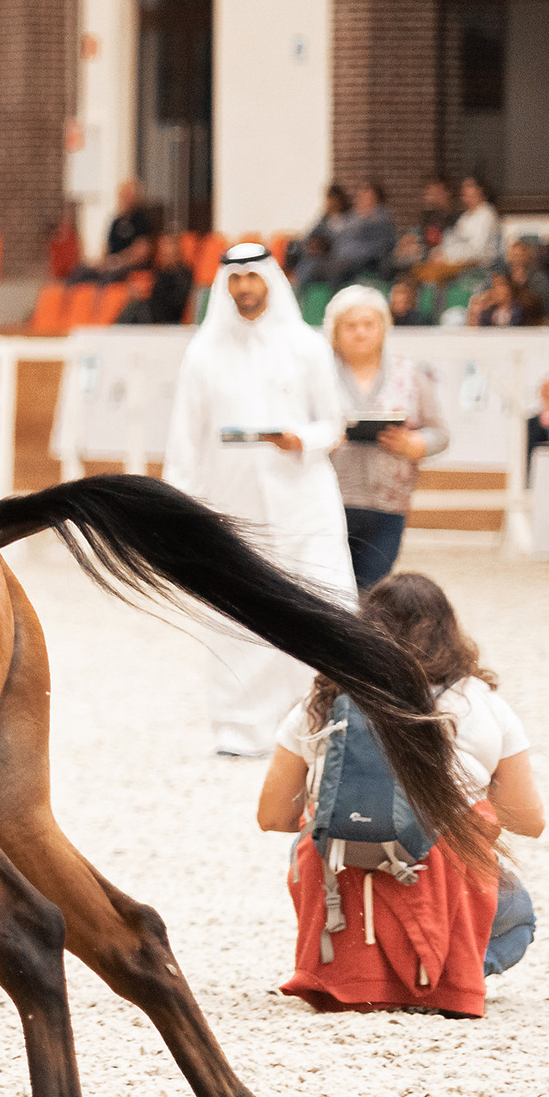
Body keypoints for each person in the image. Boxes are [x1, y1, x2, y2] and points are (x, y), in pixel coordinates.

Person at [256, 575, 545, 1017]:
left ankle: (355, 970)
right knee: (518, 915)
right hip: (442, 881)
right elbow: (529, 820)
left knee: (309, 837)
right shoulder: (482, 704)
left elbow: (272, 815)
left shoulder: (321, 703)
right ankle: (438, 979)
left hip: (339, 887)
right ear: (451, 634)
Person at [163, 243, 354, 757]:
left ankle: (323, 724)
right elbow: (184, 441)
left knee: (318, 604)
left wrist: (302, 440)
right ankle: (240, 729)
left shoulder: (307, 347)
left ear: (271, 281)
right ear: (225, 286)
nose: (244, 288)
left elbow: (333, 425)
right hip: (233, 502)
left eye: (253, 277)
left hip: (304, 501)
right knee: (237, 610)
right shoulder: (203, 354)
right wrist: (177, 511)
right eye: (235, 279)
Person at [323, 285, 448, 593]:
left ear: (384, 327)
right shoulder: (318, 373)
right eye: (350, 326)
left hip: (387, 504)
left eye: (369, 324)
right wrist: (323, 437)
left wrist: (415, 445)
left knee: (373, 592)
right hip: (326, 499)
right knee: (330, 591)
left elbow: (440, 433)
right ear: (334, 331)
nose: (360, 332)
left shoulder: (411, 373)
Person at [300, 180, 396, 286]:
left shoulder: (380, 219)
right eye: (359, 196)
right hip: (337, 258)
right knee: (309, 264)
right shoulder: (351, 217)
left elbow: (381, 246)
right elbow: (333, 230)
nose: (361, 200)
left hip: (362, 262)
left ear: (376, 199)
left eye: (366, 196)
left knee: (337, 270)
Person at [416, 178, 501, 285]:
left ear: (480, 190)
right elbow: (452, 240)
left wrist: (448, 256)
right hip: (458, 266)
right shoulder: (465, 217)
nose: (464, 190)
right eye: (463, 187)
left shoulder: (487, 215)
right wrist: (439, 252)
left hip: (479, 270)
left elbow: (477, 251)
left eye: (469, 186)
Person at [288, 185, 349, 278]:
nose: (330, 202)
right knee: (294, 247)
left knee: (309, 263)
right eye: (328, 198)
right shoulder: (324, 219)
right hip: (314, 250)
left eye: (333, 199)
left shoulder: (347, 219)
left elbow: (339, 240)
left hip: (330, 253)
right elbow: (311, 233)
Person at [465, 270, 542, 328]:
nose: (496, 289)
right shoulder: (487, 314)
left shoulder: (523, 311)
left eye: (500, 284)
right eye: (494, 285)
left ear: (509, 287)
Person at [505, 237, 549, 318]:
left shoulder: (538, 278)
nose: (516, 259)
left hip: (532, 317)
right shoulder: (505, 277)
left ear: (526, 256)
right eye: (514, 255)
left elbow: (545, 303)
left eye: (520, 255)